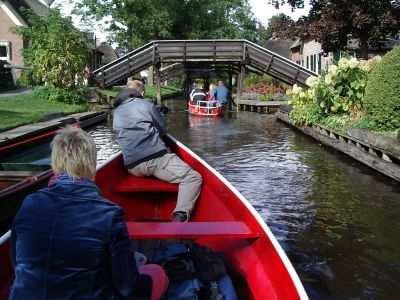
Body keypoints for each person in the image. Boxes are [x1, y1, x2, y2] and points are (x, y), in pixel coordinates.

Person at [9, 127, 169, 300]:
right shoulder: (108, 214)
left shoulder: (29, 203)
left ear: (55, 163)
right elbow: (127, 288)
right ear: (92, 164)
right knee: (156, 273)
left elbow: (17, 263)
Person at [113, 80, 202, 222]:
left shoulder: (116, 111)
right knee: (193, 177)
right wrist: (160, 114)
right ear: (141, 93)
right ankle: (180, 216)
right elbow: (162, 130)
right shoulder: (146, 105)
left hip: (132, 166)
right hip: (155, 161)